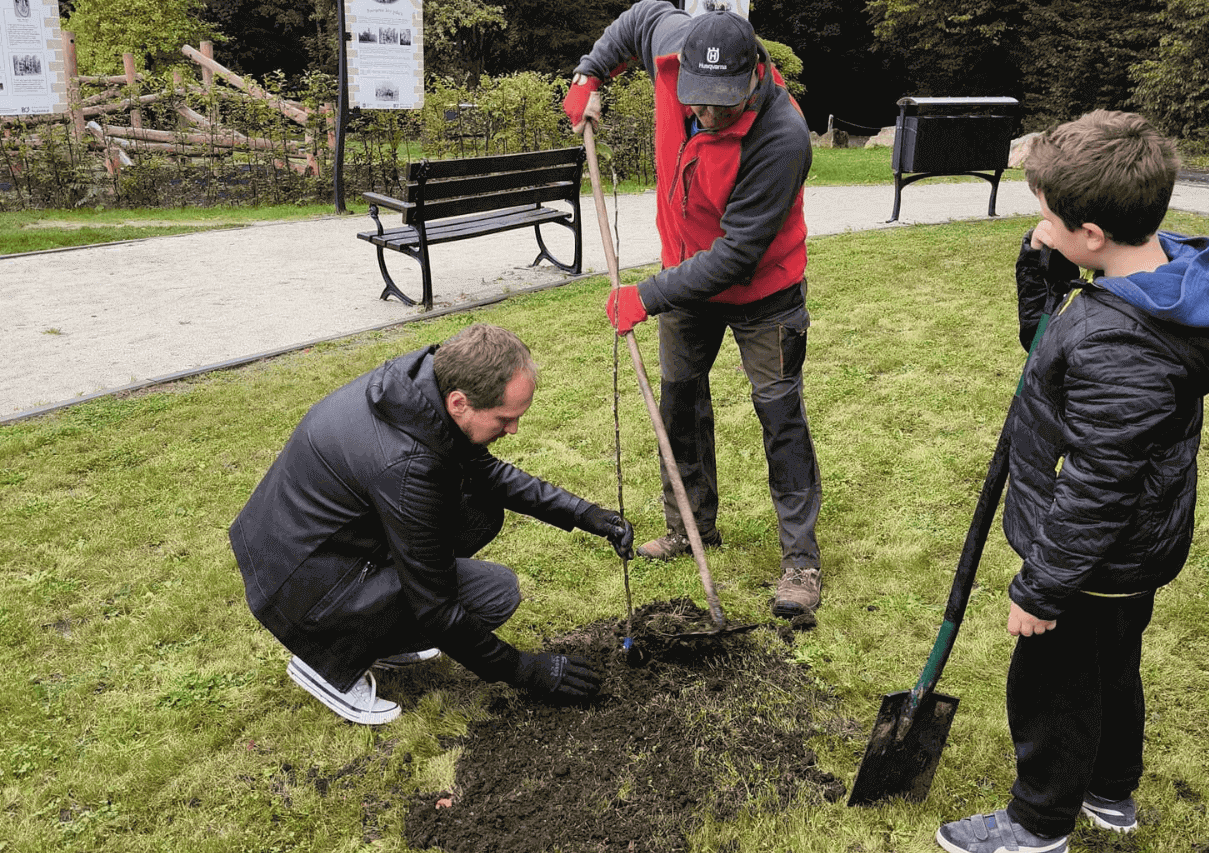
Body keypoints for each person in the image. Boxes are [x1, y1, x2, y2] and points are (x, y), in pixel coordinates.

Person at [936, 111, 1209, 853]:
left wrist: (1042, 589)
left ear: (1090, 233)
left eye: (1046, 215)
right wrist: (1038, 267)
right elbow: (1049, 341)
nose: (1037, 224)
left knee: (1054, 681)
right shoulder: (1153, 277)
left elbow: (1097, 483)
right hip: (1131, 545)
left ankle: (1038, 819)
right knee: (1114, 666)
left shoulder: (1122, 346)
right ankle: (1110, 791)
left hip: (1091, 552)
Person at [229, 324, 634, 725]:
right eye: (504, 418)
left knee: (478, 513)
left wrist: (588, 516)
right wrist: (528, 670)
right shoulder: (408, 468)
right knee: (495, 595)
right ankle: (327, 660)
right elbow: (438, 610)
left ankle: (374, 634)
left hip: (307, 551)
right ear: (459, 402)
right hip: (302, 589)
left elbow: (487, 475)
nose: (513, 429)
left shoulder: (419, 394)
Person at [563, 2, 823, 618]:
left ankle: (801, 561)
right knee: (679, 400)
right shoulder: (672, 41)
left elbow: (736, 254)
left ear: (754, 76)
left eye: (717, 104)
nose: (701, 114)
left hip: (764, 291)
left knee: (779, 413)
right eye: (694, 98)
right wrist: (588, 76)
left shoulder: (782, 136)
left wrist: (645, 296)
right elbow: (636, 19)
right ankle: (690, 527)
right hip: (686, 280)